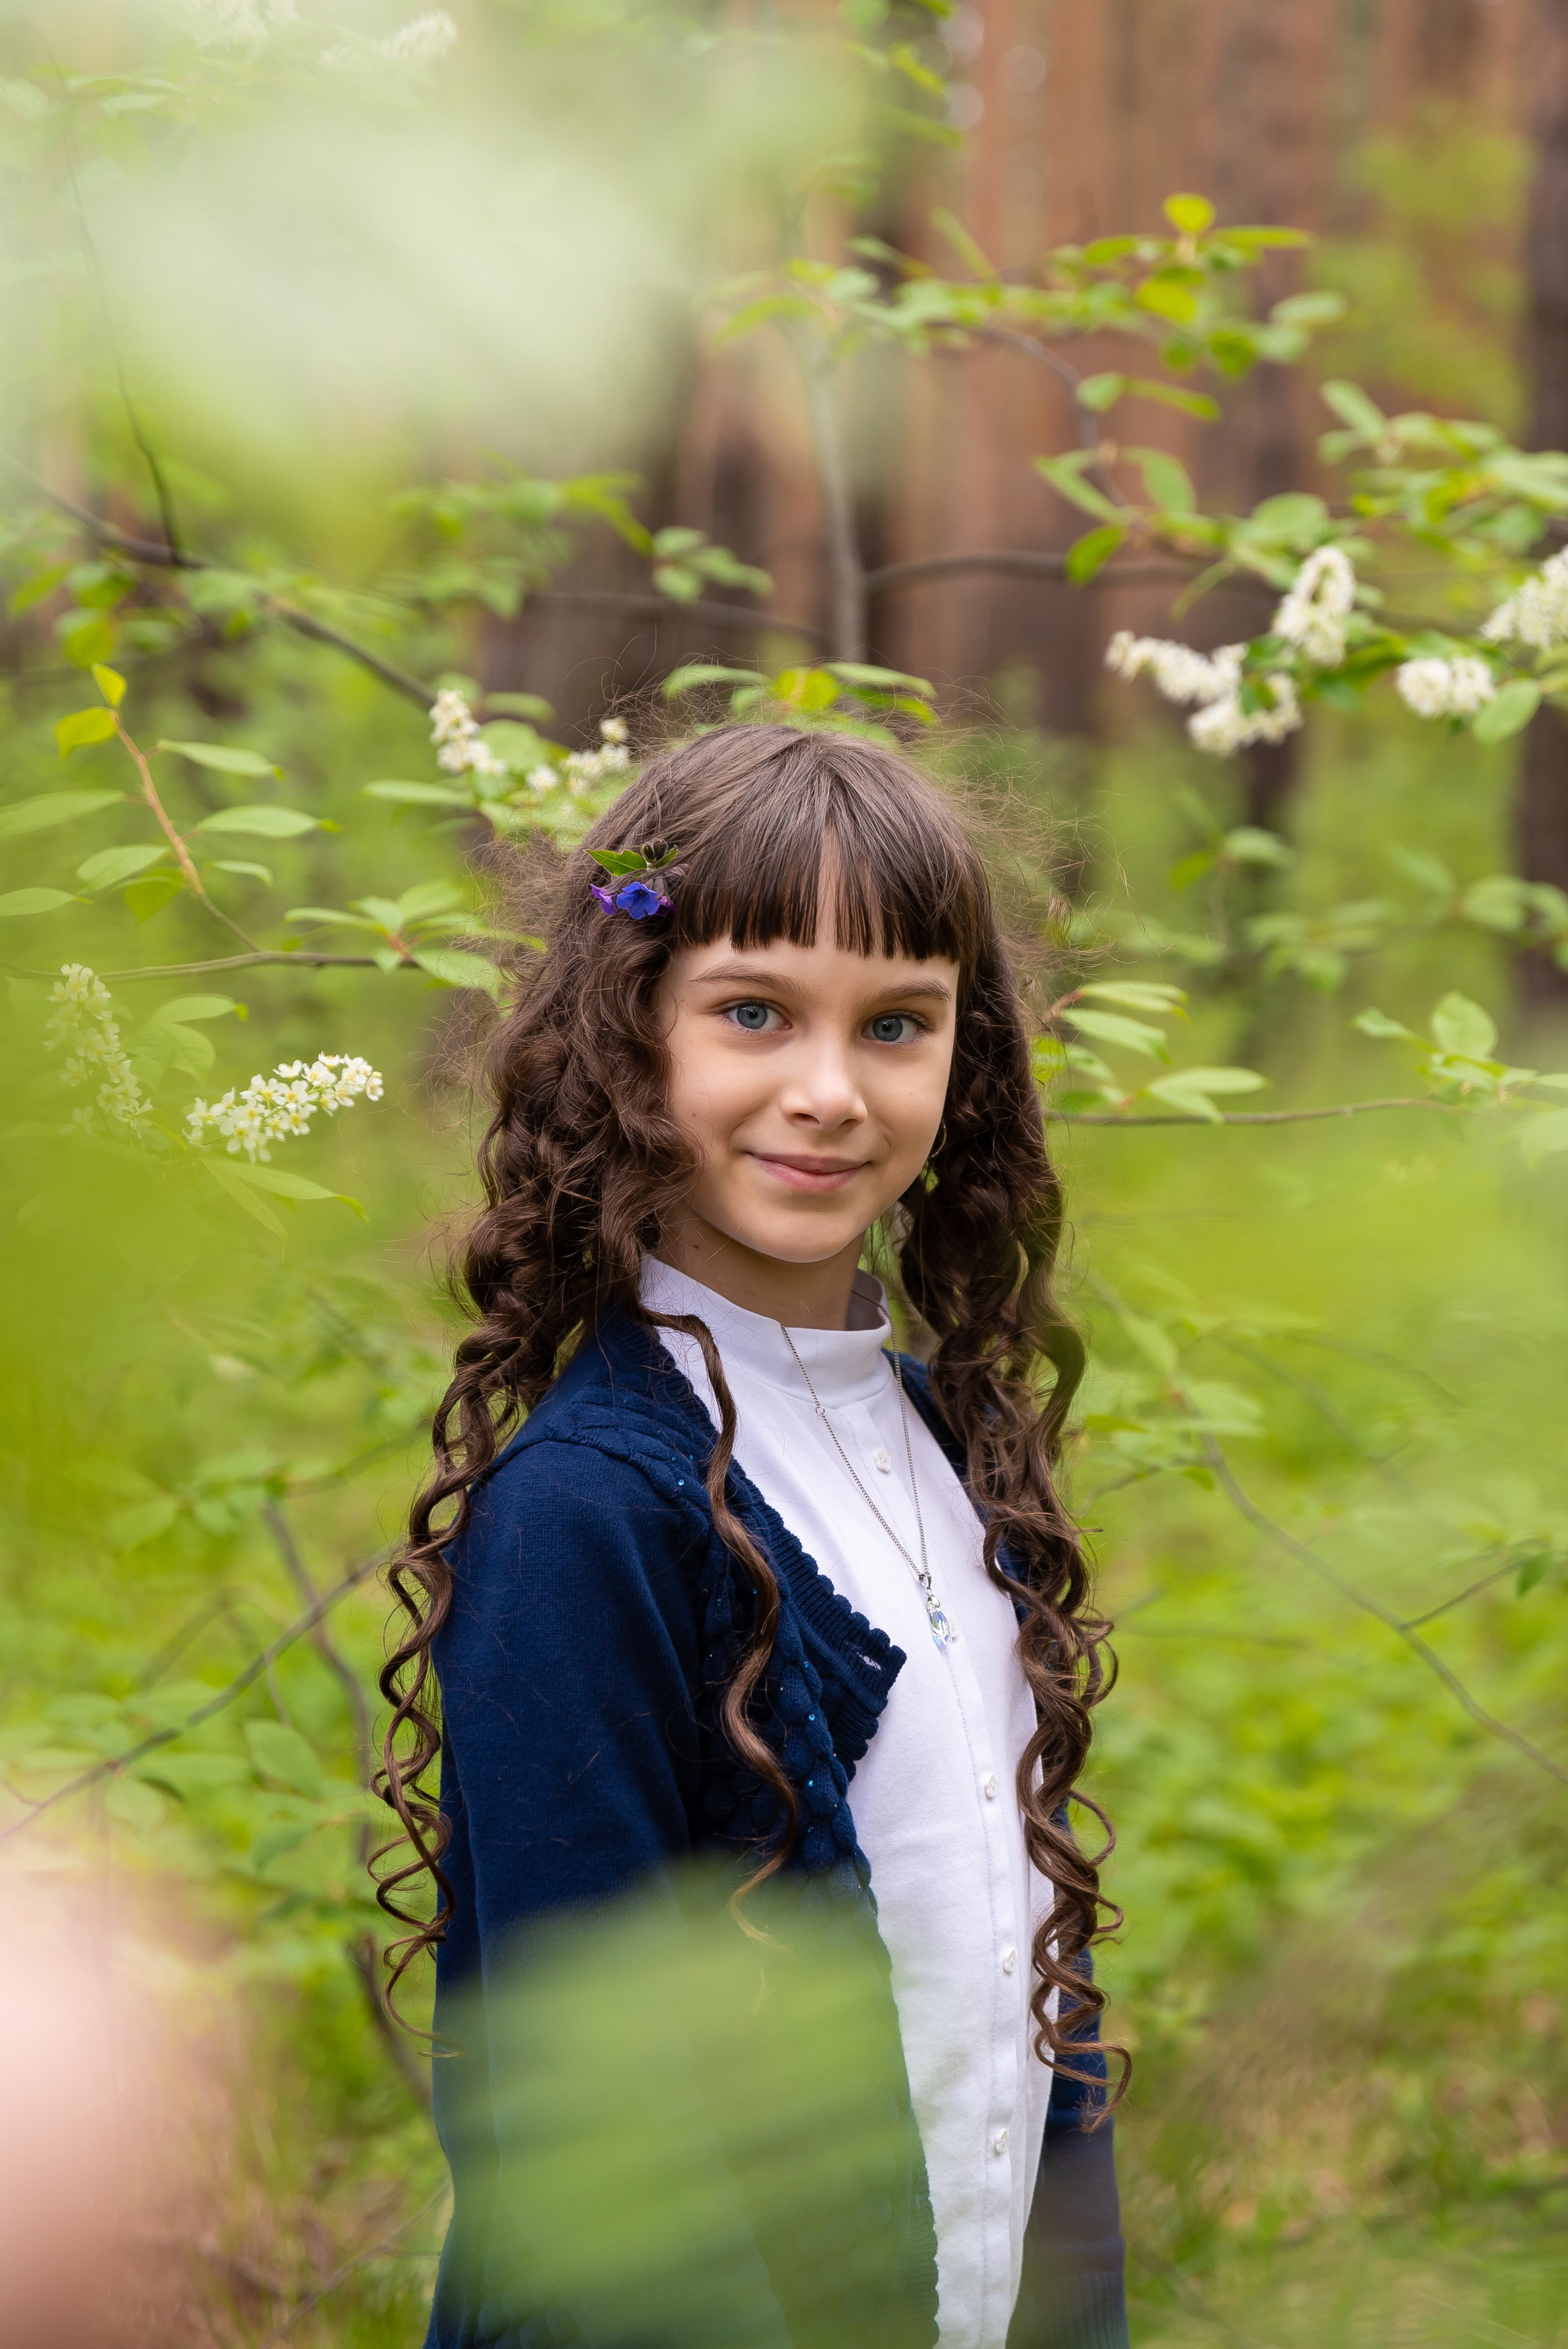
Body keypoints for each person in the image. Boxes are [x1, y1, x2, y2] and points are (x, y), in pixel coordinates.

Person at [378, 723, 1128, 2349]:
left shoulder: (953, 1450)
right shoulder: (594, 1510)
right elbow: (602, 2155)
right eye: (754, 1012)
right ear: (630, 1028)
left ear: (964, 1057)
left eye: (896, 1024)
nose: (829, 1092)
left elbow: (1030, 1995)